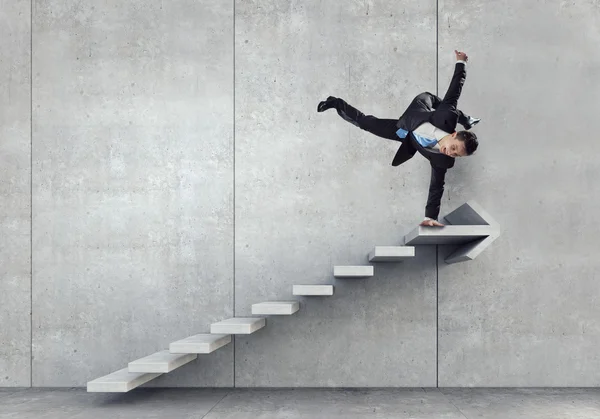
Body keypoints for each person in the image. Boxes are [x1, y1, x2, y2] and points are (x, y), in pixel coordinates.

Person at [317, 50, 479, 227]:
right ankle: (466, 119)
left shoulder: (443, 160)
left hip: (407, 135)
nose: (450, 152)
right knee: (447, 105)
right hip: (421, 107)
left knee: (366, 123)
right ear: (453, 134)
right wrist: (461, 62)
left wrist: (430, 218)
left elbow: (436, 187)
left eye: (456, 155)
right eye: (454, 148)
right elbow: (455, 88)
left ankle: (335, 103)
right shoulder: (446, 116)